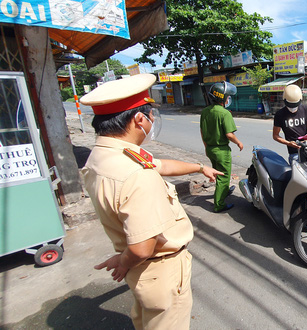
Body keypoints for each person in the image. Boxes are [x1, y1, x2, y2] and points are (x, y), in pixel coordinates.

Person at [80, 74, 223, 329]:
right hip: (160, 270)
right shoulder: (136, 175)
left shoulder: (104, 155)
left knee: (145, 321)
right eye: (150, 115)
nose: (152, 120)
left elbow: (162, 165)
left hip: (142, 273)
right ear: (138, 119)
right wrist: (123, 262)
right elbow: (142, 248)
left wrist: (200, 167)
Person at [200, 81, 243, 212]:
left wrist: (206, 147)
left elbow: (202, 131)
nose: (229, 99)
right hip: (221, 151)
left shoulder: (205, 111)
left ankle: (223, 192)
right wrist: (239, 142)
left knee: (218, 174)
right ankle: (219, 204)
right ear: (222, 98)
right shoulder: (225, 113)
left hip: (210, 148)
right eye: (228, 97)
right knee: (223, 177)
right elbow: (229, 134)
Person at [273, 85, 307, 164]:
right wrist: (289, 143)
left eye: (295, 105)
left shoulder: (306, 109)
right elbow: (275, 135)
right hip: (294, 154)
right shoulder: (280, 114)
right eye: (290, 105)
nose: (292, 108)